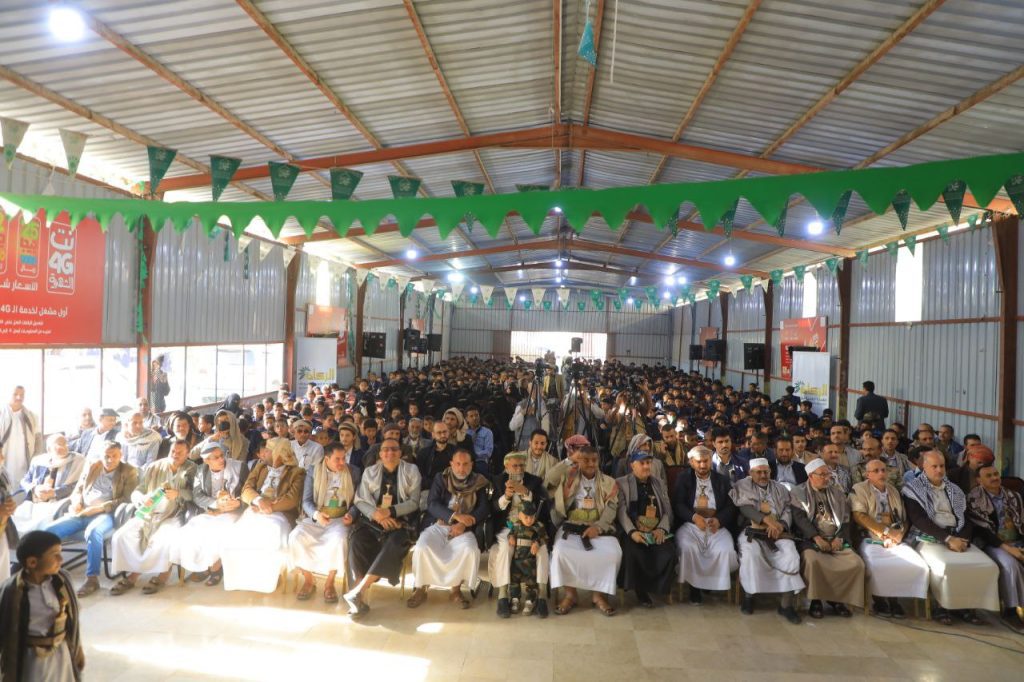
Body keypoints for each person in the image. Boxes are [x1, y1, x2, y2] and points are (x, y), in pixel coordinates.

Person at [902, 450, 999, 625]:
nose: (939, 470)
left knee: (985, 564)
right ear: (924, 467)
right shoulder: (912, 489)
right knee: (946, 566)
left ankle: (966, 606)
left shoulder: (954, 489)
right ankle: (942, 606)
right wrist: (948, 539)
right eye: (934, 466)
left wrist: (962, 539)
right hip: (928, 537)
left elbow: (966, 518)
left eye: (942, 466)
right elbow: (919, 520)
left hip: (957, 537)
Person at [41, 441, 138, 597]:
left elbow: (126, 499)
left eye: (114, 456)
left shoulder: (129, 471)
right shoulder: (93, 466)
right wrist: (76, 502)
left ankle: (92, 578)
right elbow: (78, 489)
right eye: (106, 456)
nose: (110, 460)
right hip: (82, 512)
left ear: (121, 455)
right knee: (48, 532)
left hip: (106, 514)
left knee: (93, 532)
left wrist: (99, 508)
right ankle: (47, 571)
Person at [344, 437, 422, 620]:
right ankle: (359, 599)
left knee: (394, 543)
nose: (390, 453)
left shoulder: (412, 470)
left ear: (400, 453)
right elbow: (360, 500)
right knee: (356, 540)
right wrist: (376, 514)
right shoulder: (370, 471)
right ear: (380, 454)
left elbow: (414, 502)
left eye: (394, 449)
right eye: (386, 449)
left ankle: (359, 590)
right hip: (374, 520)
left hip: (401, 522)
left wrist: (390, 512)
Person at [108, 439, 197, 596]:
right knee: (121, 536)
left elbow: (196, 494)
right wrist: (139, 499)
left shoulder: (192, 468)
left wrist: (179, 493)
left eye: (180, 453)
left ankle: (162, 575)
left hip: (175, 513)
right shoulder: (154, 466)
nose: (175, 455)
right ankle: (133, 575)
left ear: (187, 454)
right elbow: (139, 489)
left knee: (163, 539)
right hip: (148, 512)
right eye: (173, 451)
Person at [407, 449, 489, 610]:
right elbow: (432, 503)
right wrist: (456, 516)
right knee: (422, 547)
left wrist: (464, 523)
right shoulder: (442, 478)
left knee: (470, 550)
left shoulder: (478, 481)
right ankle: (420, 588)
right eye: (458, 464)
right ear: (451, 464)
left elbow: (484, 508)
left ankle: (456, 590)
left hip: (464, 529)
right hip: (439, 524)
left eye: (465, 464)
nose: (461, 468)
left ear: (471, 465)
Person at [220, 438, 305, 593]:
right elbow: (246, 489)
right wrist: (259, 501)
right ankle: (242, 579)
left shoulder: (297, 472)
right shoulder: (260, 467)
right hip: (255, 508)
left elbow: (292, 500)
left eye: (268, 450)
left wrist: (268, 507)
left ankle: (266, 580)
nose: (264, 453)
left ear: (279, 453)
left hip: (280, 514)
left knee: (270, 531)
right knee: (238, 532)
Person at [0, 531, 85, 682]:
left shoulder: (63, 581)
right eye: (55, 555)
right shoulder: (12, 590)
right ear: (32, 562)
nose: (61, 559)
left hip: (62, 654)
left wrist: (78, 648)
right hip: (32, 661)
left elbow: (73, 618)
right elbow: (5, 629)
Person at [850, 458, 929, 618]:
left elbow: (904, 518)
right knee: (877, 564)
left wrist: (899, 535)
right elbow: (859, 516)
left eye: (883, 470)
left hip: (895, 538)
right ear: (867, 474)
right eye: (876, 471)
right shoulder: (859, 489)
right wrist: (885, 532)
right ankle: (879, 600)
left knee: (916, 563)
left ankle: (895, 600)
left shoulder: (893, 490)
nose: (881, 473)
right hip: (869, 536)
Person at [729, 458, 805, 624]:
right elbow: (744, 507)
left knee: (791, 555)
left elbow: (787, 509)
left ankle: (786, 605)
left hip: (778, 532)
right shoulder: (743, 485)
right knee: (751, 554)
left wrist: (781, 525)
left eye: (766, 472)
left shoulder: (780, 488)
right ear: (751, 473)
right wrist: (765, 520)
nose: (763, 475)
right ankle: (749, 597)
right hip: (752, 530)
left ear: (770, 472)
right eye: (759, 472)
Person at [549, 445, 621, 616]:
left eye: (594, 460)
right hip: (572, 524)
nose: (590, 464)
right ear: (579, 461)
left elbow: (611, 508)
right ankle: (570, 595)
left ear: (599, 461)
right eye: (585, 460)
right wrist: (570, 460)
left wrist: (598, 527)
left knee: (613, 553)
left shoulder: (609, 482)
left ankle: (598, 596)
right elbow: (549, 479)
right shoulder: (569, 476)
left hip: (598, 525)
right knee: (560, 552)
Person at [791, 458, 865, 618]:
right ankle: (815, 600)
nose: (827, 478)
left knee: (856, 563)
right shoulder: (798, 492)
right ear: (811, 476)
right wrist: (816, 538)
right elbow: (800, 520)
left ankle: (837, 600)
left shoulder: (837, 492)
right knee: (812, 561)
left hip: (836, 538)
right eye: (822, 475)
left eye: (828, 474)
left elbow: (845, 520)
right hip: (811, 539)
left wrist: (839, 538)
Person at [290, 441, 359, 604]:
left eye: (343, 458)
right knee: (295, 537)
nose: (342, 463)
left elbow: (358, 501)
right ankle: (308, 579)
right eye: (337, 459)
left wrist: (351, 514)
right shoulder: (314, 470)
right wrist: (316, 515)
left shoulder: (353, 471)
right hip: (317, 517)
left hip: (341, 518)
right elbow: (306, 501)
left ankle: (330, 583)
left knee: (339, 540)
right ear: (326, 459)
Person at [488, 451, 551, 619]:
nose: (519, 469)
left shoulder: (533, 481)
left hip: (531, 526)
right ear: (506, 466)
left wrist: (526, 493)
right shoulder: (498, 481)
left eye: (522, 465)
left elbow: (543, 507)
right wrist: (506, 496)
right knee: (506, 548)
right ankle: (503, 595)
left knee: (542, 551)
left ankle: (541, 596)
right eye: (514, 465)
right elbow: (493, 508)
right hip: (508, 526)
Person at [674, 446, 738, 605]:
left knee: (724, 550)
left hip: (715, 525)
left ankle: (712, 584)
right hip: (691, 525)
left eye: (706, 461)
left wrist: (719, 520)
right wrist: (694, 517)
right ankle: (694, 588)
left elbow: (731, 506)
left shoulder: (722, 480)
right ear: (691, 462)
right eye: (698, 462)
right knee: (689, 548)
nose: (702, 465)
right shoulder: (684, 478)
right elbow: (678, 504)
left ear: (711, 461)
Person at [177, 442, 247, 586]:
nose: (221, 459)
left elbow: (249, 490)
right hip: (212, 511)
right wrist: (215, 504)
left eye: (222, 455)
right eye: (216, 457)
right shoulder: (201, 470)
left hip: (233, 511)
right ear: (206, 461)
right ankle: (203, 564)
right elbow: (197, 495)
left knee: (217, 530)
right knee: (192, 529)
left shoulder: (240, 467)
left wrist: (238, 503)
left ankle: (216, 567)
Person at [967, 463, 1024, 627]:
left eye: (996, 474)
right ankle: (1012, 609)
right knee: (1010, 565)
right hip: (993, 544)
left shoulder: (1014, 496)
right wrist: (1010, 549)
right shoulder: (974, 499)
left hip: (1017, 541)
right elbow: (983, 531)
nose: (994, 478)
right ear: (979, 480)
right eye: (989, 476)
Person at [616, 449, 675, 607]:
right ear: (632, 465)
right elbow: (621, 511)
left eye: (648, 463)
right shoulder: (622, 483)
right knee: (634, 552)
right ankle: (640, 590)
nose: (646, 466)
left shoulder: (658, 483)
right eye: (642, 463)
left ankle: (658, 588)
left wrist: (662, 529)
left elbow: (667, 510)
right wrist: (633, 532)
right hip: (632, 530)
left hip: (656, 529)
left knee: (668, 552)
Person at [15, 434, 85, 533]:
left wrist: (55, 492)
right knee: (17, 518)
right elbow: (24, 481)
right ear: (49, 449)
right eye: (60, 444)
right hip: (35, 502)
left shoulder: (79, 461)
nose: (65, 447)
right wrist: (35, 488)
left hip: (59, 502)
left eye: (66, 443)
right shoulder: (38, 460)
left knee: (42, 522)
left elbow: (79, 485)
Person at [507, 499, 548, 616]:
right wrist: (511, 537)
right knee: (514, 580)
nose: (529, 520)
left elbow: (545, 537)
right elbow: (510, 533)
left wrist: (537, 543)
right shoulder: (516, 525)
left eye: (532, 517)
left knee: (531, 582)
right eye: (526, 517)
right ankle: (515, 599)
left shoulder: (538, 526)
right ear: (519, 515)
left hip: (530, 561)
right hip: (517, 560)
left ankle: (530, 600)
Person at [0, 386, 40, 485]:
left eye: (22, 395)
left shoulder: (32, 416)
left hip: (25, 462)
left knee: (23, 487)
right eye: (15, 394)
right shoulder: (1, 414)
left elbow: (38, 439)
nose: (19, 397)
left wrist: (36, 459)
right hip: (5, 462)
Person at [464, 405, 493, 473]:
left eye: (476, 415)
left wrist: (474, 455)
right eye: (471, 416)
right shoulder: (463, 432)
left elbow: (488, 452)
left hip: (480, 461)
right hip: (465, 461)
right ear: (466, 419)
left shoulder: (487, 432)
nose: (475, 418)